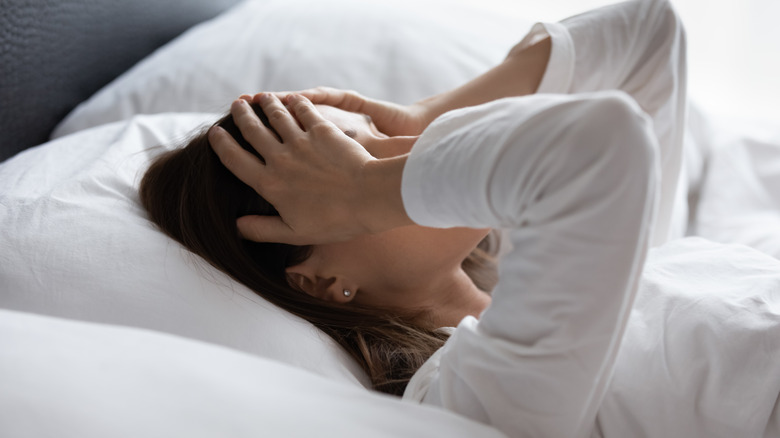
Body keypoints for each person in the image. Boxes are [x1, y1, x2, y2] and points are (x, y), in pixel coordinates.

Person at [141, 0, 780, 436]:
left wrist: (429, 118)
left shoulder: (578, 266)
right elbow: (598, 146)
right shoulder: (465, 400)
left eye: (366, 142)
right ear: (316, 276)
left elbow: (648, 31)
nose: (411, 159)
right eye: (353, 165)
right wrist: (367, 187)